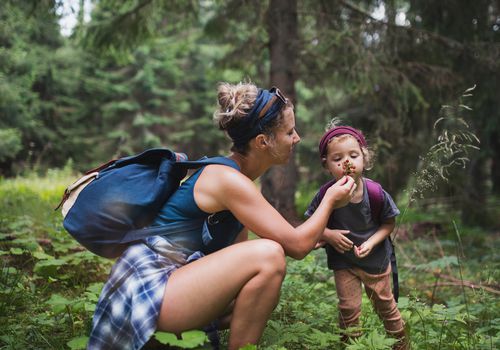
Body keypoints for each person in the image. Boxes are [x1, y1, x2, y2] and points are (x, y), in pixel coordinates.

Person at [87, 82, 356, 350]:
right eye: (289, 132)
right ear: (263, 142)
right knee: (270, 254)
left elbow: (245, 267)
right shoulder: (226, 179)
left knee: (258, 287)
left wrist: (313, 233)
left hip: (172, 286)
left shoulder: (238, 182)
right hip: (148, 287)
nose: (296, 138)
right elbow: (295, 247)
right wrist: (330, 199)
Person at [304, 121, 408, 349]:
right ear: (327, 165)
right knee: (348, 310)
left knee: (386, 308)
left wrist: (371, 242)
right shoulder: (325, 194)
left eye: (353, 155)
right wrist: (328, 234)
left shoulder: (375, 193)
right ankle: (350, 345)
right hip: (344, 262)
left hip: (375, 262)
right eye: (337, 159)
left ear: (364, 158)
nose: (347, 162)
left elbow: (388, 224)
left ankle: (402, 345)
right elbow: (312, 224)